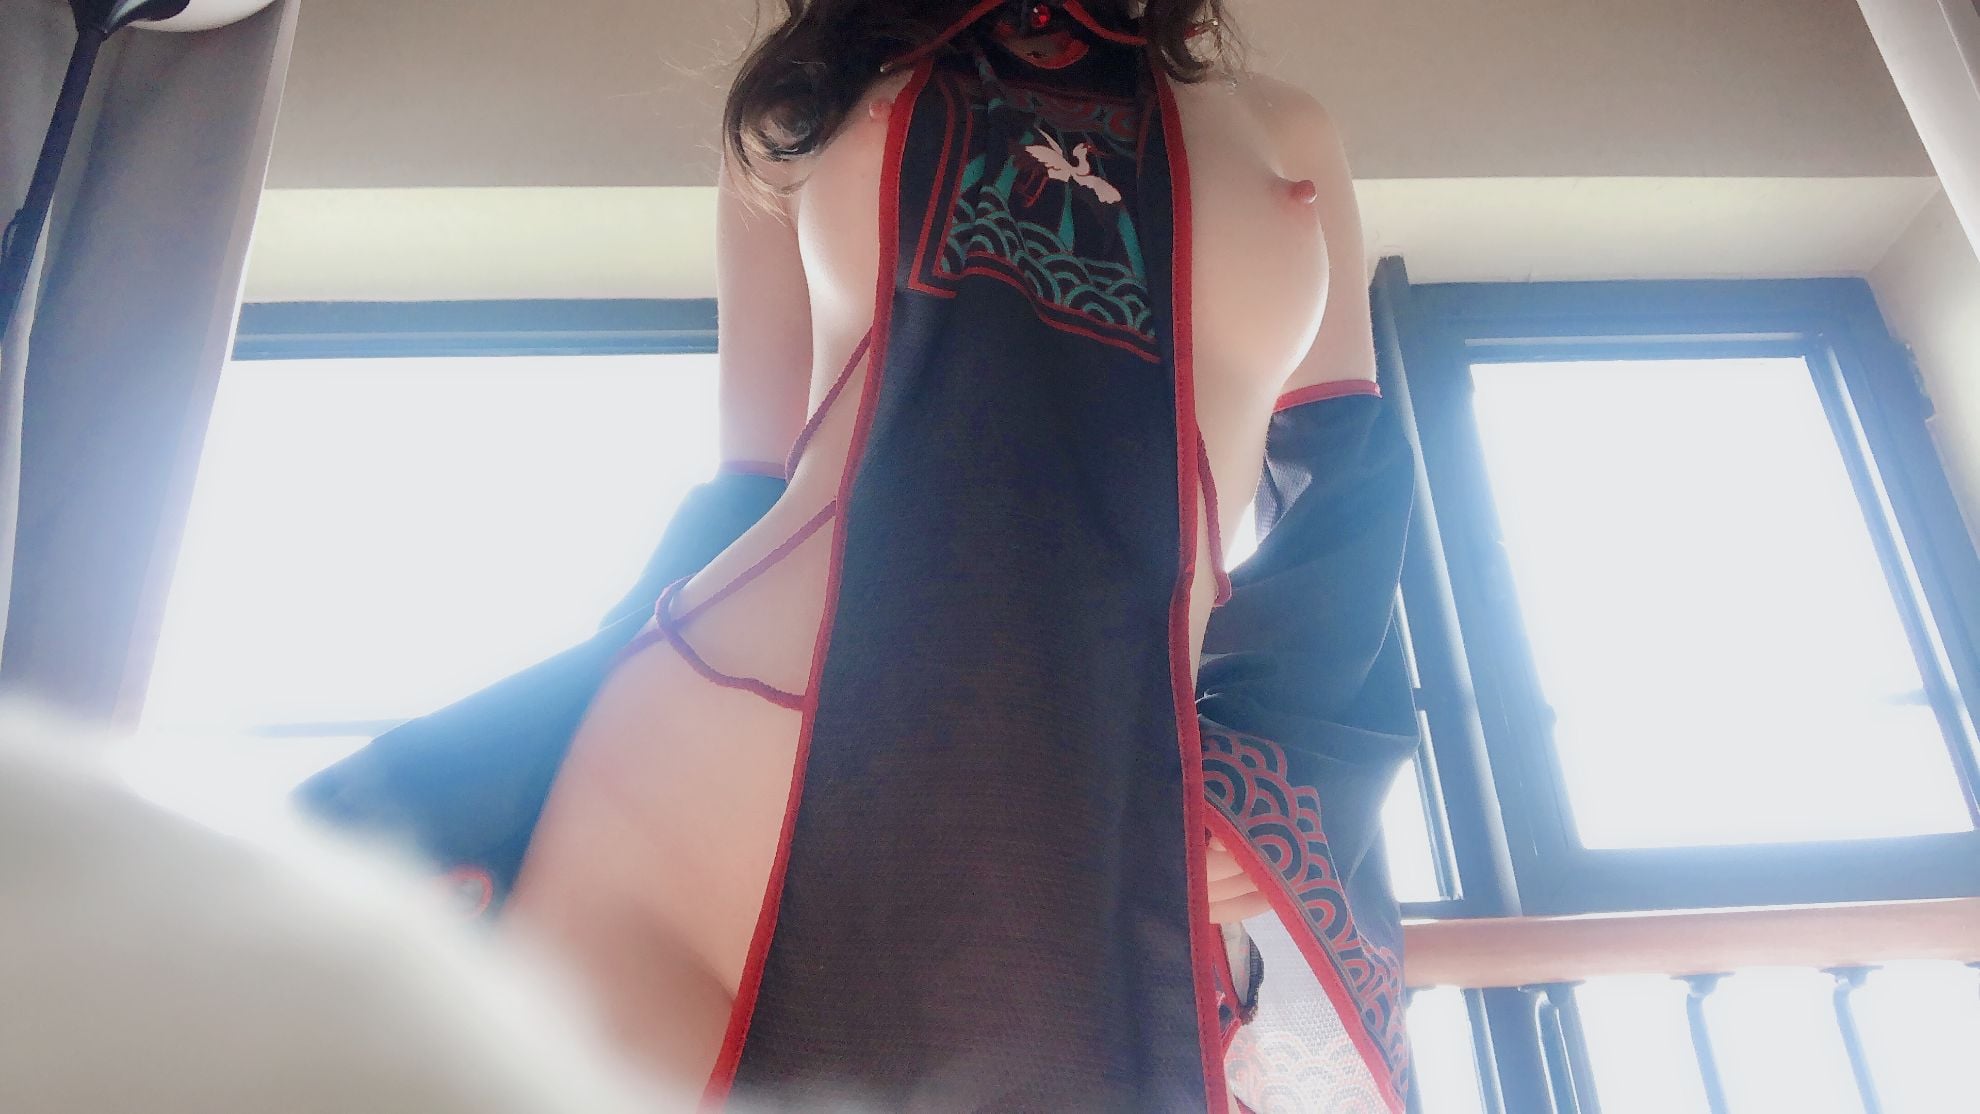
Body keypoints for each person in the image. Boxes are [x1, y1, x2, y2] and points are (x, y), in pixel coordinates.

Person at [301, 2, 1420, 1110]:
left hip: (1081, 798)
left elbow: (1347, 503)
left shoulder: (1282, 127)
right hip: (708, 780)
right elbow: (751, 482)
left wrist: (1275, 777)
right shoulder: (809, 99)